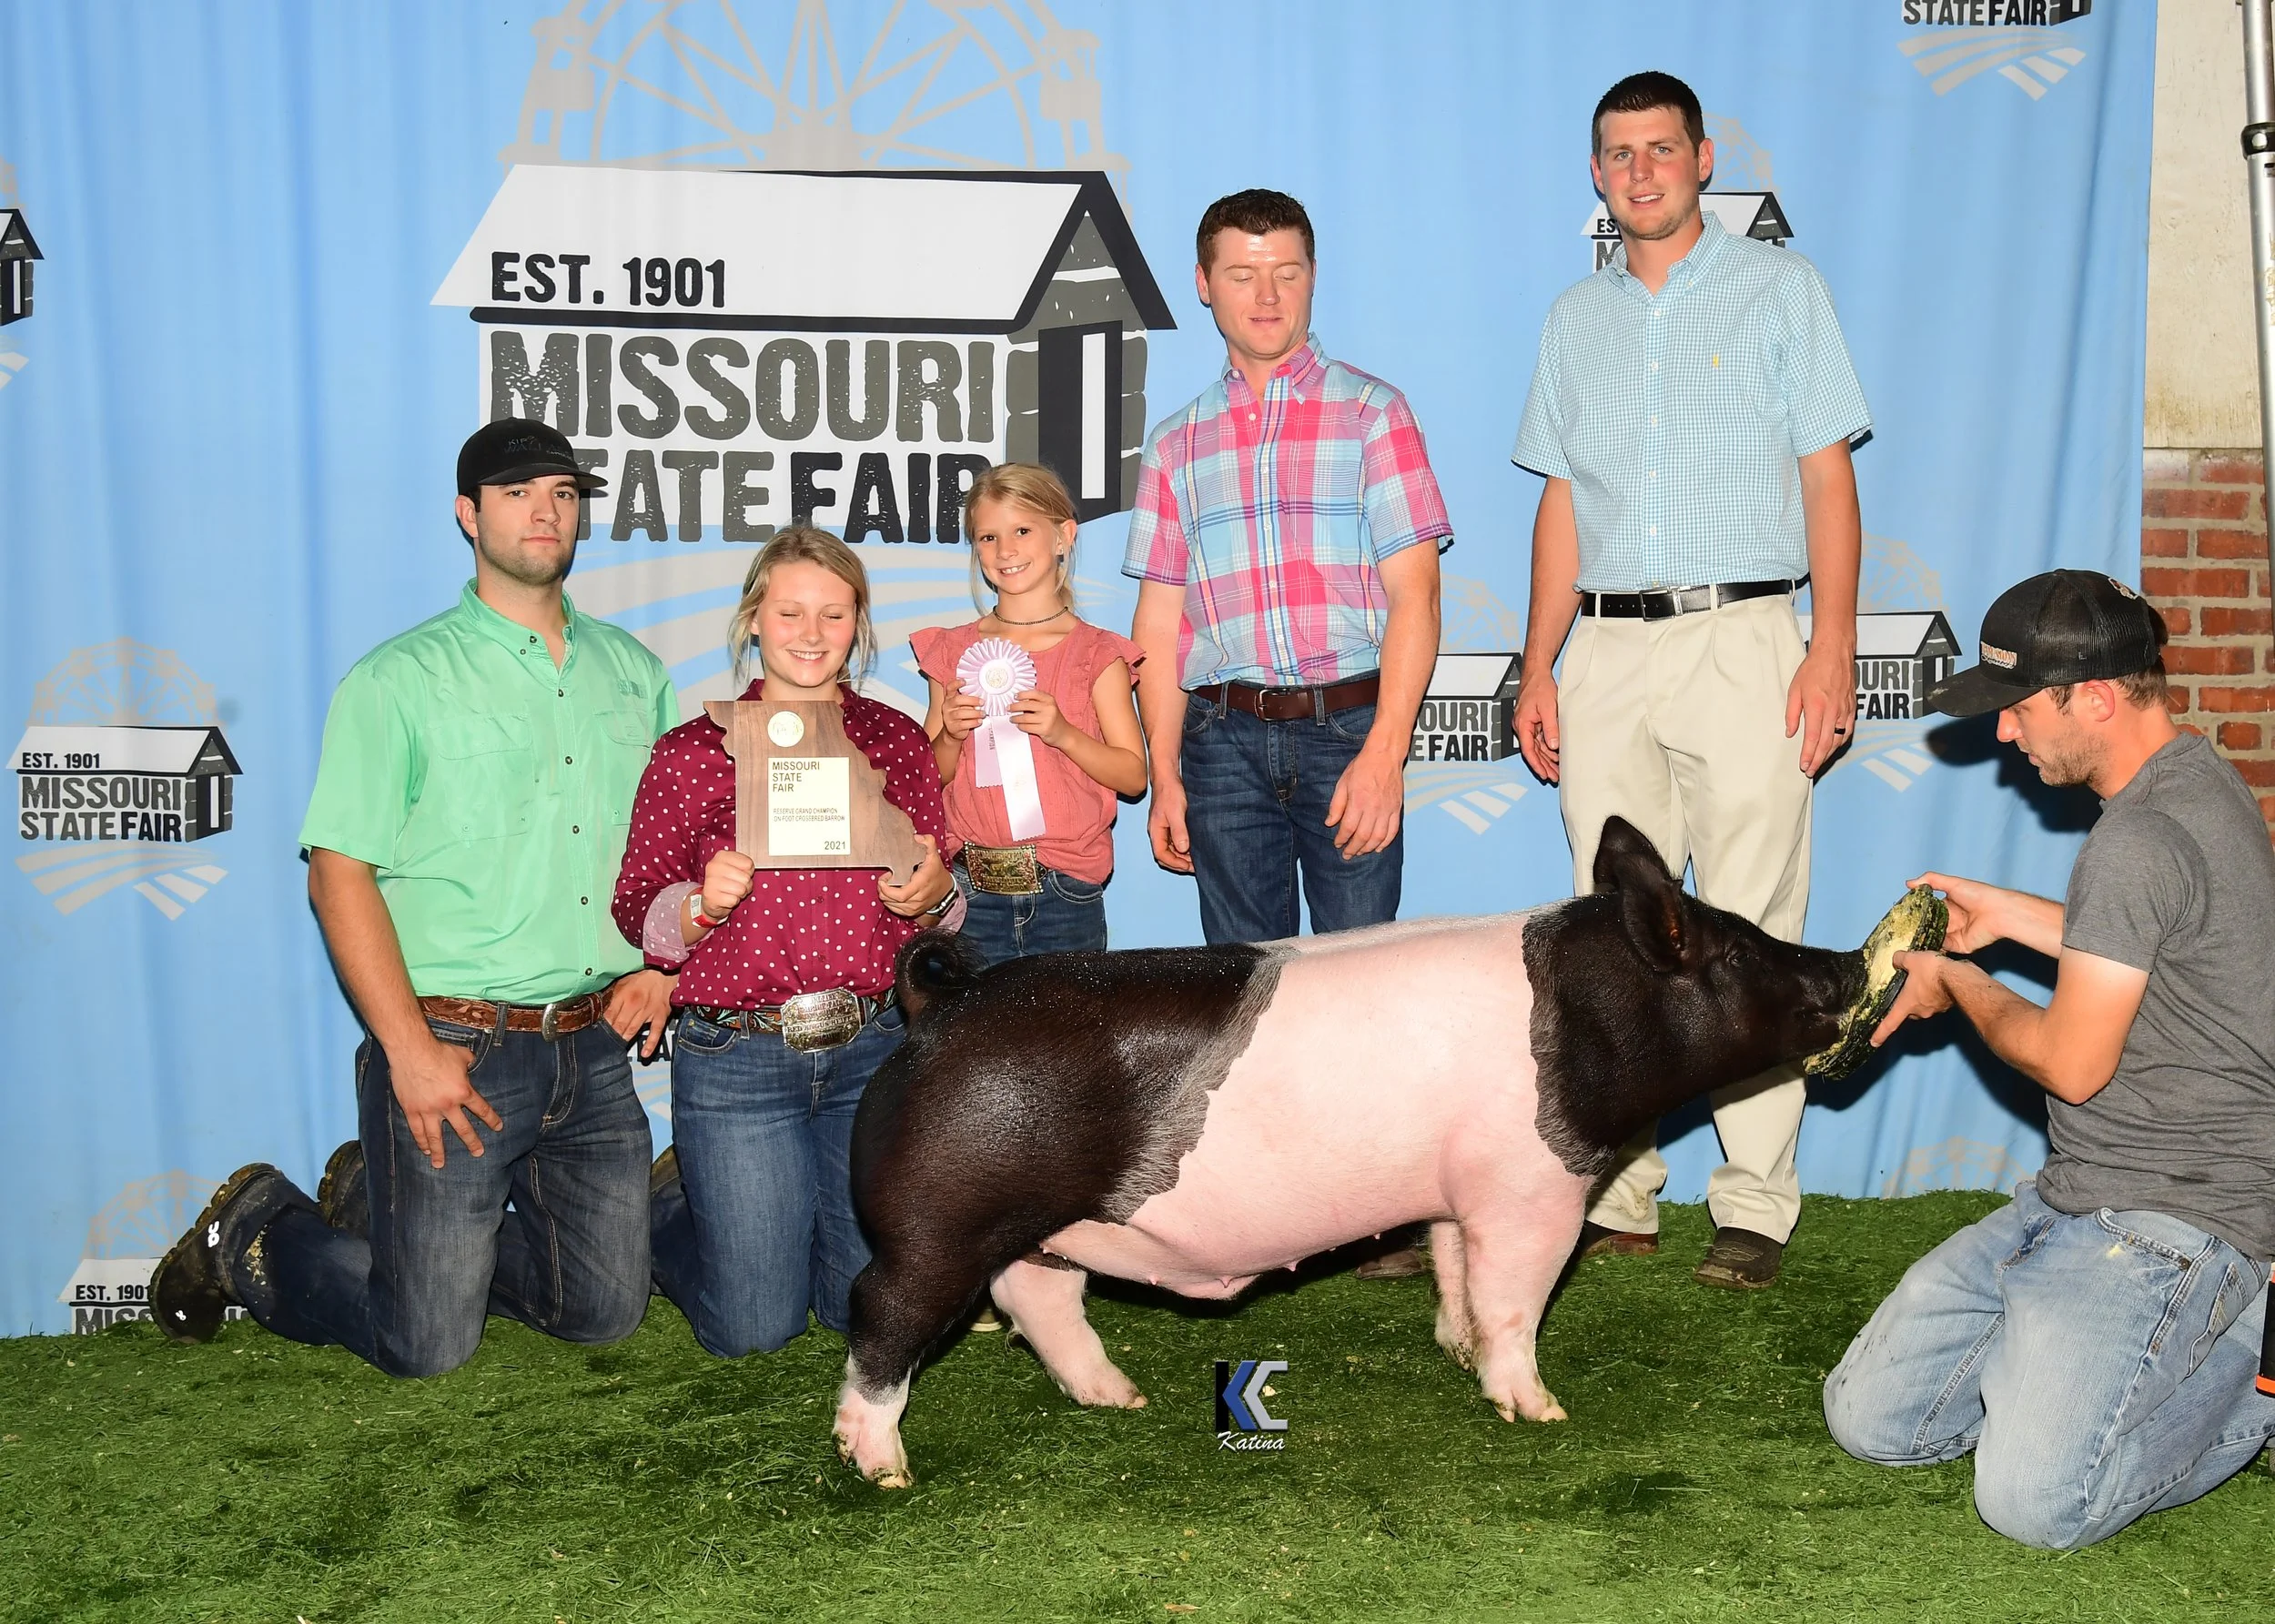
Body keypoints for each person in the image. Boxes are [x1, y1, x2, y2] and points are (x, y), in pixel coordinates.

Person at [150, 419, 678, 1376]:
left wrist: (660, 966)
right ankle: (257, 1227)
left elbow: (676, 845)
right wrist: (409, 1050)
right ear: (467, 515)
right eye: (518, 493)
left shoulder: (635, 675)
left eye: (562, 492)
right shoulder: (398, 681)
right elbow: (337, 875)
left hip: (594, 1049)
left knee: (604, 1311)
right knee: (425, 1344)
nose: (544, 511)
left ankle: (369, 1201)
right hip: (456, 1045)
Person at [1825, 569, 2275, 1548]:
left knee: (2034, 1504)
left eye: (2017, 709)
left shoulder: (2135, 839)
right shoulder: (2194, 778)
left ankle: (2253, 1366)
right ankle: (2079, 1348)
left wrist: (1961, 985)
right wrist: (2017, 918)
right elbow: (2173, 945)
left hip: (2184, 1211)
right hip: (2077, 1193)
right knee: (1872, 1421)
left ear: (2096, 700)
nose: (2002, 733)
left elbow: (2071, 1066)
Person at [1511, 70, 1871, 1289]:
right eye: (1620, 153)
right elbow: (1560, 502)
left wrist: (1833, 644)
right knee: (1613, 925)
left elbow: (1828, 475)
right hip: (1605, 646)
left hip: (1748, 633)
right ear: (1598, 173)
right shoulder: (1574, 318)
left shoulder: (1784, 290)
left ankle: (1756, 1200)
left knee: (1756, 917)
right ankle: (1618, 1184)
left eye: (1663, 149)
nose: (1642, 171)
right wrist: (1536, 661)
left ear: (1705, 159)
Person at [613, 528, 957, 1357]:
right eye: (790, 611)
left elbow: (941, 916)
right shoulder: (692, 753)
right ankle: (673, 1208)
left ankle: (765, 1228)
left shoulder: (896, 741)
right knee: (753, 1331)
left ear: (858, 624)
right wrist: (699, 905)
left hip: (872, 1049)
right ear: (752, 621)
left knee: (855, 1313)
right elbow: (638, 907)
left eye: (833, 614)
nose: (810, 632)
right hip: (738, 1059)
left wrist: (937, 893)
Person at [1125, 187, 1452, 949]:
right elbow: (1161, 622)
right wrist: (1165, 772)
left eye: (1286, 271)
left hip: (1349, 735)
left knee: (1360, 986)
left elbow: (1418, 597)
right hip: (1220, 744)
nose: (1267, 295)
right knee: (1242, 998)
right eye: (1242, 273)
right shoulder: (1175, 444)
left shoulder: (1375, 413)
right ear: (1205, 284)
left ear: (1312, 275)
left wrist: (1385, 752)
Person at [913, 462, 1147, 967]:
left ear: (1063, 536)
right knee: (975, 1042)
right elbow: (925, 778)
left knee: (1066, 1042)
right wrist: (950, 735)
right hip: (969, 891)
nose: (1006, 550)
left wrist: (1064, 733)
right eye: (988, 537)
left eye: (1022, 531)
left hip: (1065, 891)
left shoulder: (1097, 653)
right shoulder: (951, 651)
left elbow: (1132, 776)